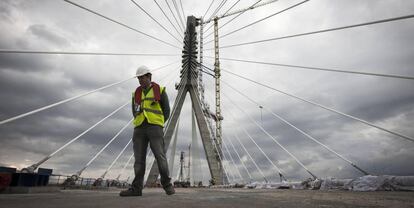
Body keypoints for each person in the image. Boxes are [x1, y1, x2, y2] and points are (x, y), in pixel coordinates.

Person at [120, 65, 175, 196]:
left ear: (149, 77)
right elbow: (134, 111)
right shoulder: (136, 93)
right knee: (139, 160)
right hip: (139, 128)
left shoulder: (160, 91)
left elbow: (166, 111)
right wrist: (140, 121)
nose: (140, 81)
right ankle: (136, 189)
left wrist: (158, 122)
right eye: (138, 79)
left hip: (155, 127)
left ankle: (167, 185)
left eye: (142, 78)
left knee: (160, 156)